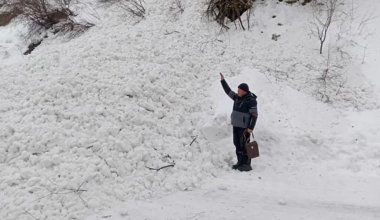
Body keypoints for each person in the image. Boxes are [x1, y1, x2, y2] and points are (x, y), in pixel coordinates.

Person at [220, 73, 258, 172]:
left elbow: (254, 115)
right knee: (237, 144)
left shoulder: (251, 100)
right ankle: (240, 162)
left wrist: (250, 128)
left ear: (244, 91)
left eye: (239, 90)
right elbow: (228, 91)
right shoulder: (237, 97)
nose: (237, 91)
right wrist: (223, 81)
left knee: (244, 146)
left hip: (244, 128)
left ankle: (246, 165)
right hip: (236, 126)